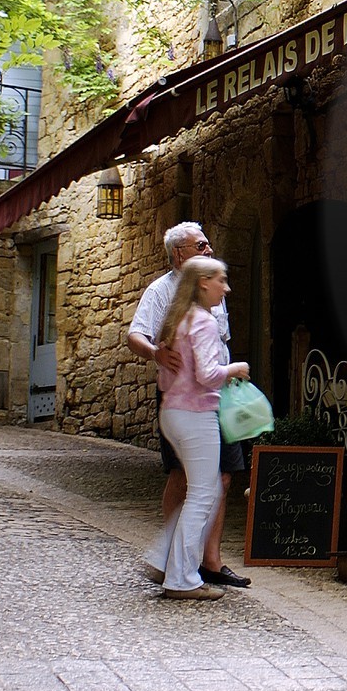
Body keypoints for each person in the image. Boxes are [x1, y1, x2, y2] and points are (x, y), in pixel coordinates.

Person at [128, 222, 251, 589]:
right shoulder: (161, 291)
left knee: (222, 476)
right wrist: (156, 353)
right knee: (188, 479)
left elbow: (217, 345)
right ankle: (174, 562)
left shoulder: (211, 292)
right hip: (191, 400)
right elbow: (135, 334)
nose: (209, 249)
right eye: (201, 245)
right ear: (179, 254)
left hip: (215, 396)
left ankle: (208, 561)